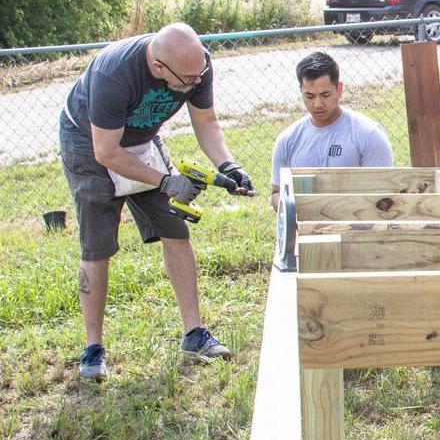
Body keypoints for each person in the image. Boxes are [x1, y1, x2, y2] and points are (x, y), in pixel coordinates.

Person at [60, 23, 253, 381]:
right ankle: (93, 348)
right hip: (90, 143)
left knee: (175, 230)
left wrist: (229, 165)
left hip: (142, 139)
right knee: (98, 245)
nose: (196, 83)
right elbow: (106, 152)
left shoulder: (196, 65)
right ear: (160, 67)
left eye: (200, 75)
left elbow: (207, 121)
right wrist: (166, 181)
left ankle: (194, 334)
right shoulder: (113, 75)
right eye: (188, 79)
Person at [270, 51, 393, 210]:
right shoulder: (287, 140)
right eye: (309, 96)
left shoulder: (369, 136)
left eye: (325, 95)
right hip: (304, 232)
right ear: (301, 91)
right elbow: (276, 192)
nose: (317, 104)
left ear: (339, 89)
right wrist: (291, 207)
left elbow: (383, 198)